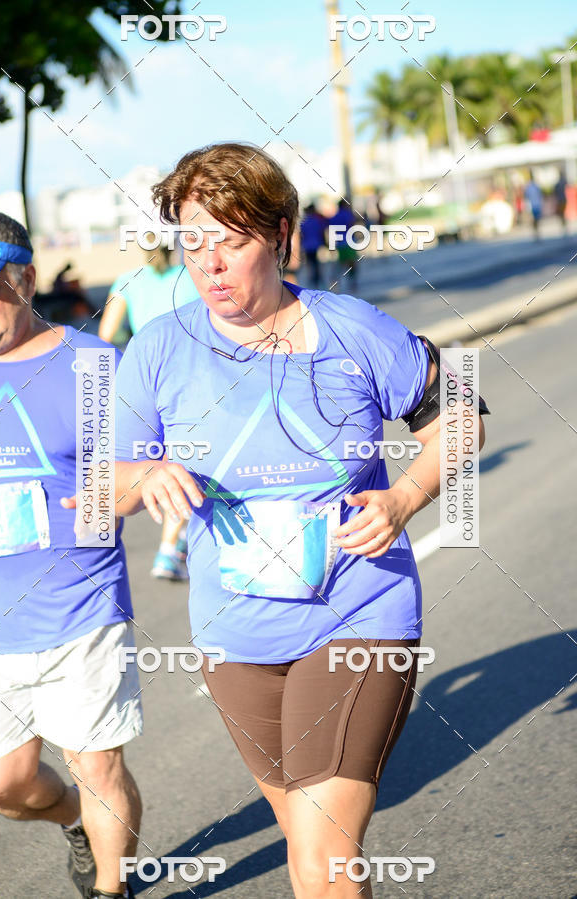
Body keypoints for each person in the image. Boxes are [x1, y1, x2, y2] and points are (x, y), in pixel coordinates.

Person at [109, 142, 488, 898]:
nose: (209, 263)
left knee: (321, 862)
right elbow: (102, 483)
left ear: (281, 236)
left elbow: (464, 414)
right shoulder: (157, 349)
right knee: (313, 852)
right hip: (234, 634)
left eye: (231, 240)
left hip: (358, 613)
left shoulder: (355, 329)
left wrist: (404, 498)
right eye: (192, 240)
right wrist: (145, 474)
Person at [0, 211, 142, 899]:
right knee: (2, 785)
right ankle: (74, 819)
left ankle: (110, 887)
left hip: (80, 603)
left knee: (97, 767)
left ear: (26, 278)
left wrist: (113, 494)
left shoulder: (92, 366)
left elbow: (135, 472)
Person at [98, 239, 200, 581]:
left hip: (146, 378)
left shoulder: (127, 280)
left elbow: (106, 333)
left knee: (166, 464)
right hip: (191, 376)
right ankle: (171, 548)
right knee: (186, 462)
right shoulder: (191, 276)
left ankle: (174, 545)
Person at [328, 198, 358, 289]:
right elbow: (352, 225)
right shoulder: (348, 214)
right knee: (352, 263)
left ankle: (335, 281)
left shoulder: (334, 217)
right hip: (350, 242)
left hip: (340, 243)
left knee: (341, 264)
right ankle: (352, 282)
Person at [299, 203, 325, 288]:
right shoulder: (316, 221)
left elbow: (301, 235)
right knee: (316, 263)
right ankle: (317, 280)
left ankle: (312, 280)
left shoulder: (304, 222)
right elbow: (321, 232)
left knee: (310, 264)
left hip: (307, 246)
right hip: (316, 244)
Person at [524, 172, 543, 238]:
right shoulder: (535, 186)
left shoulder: (529, 186)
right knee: (536, 218)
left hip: (533, 204)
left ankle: (536, 230)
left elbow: (526, 196)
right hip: (535, 204)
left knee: (535, 218)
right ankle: (536, 230)